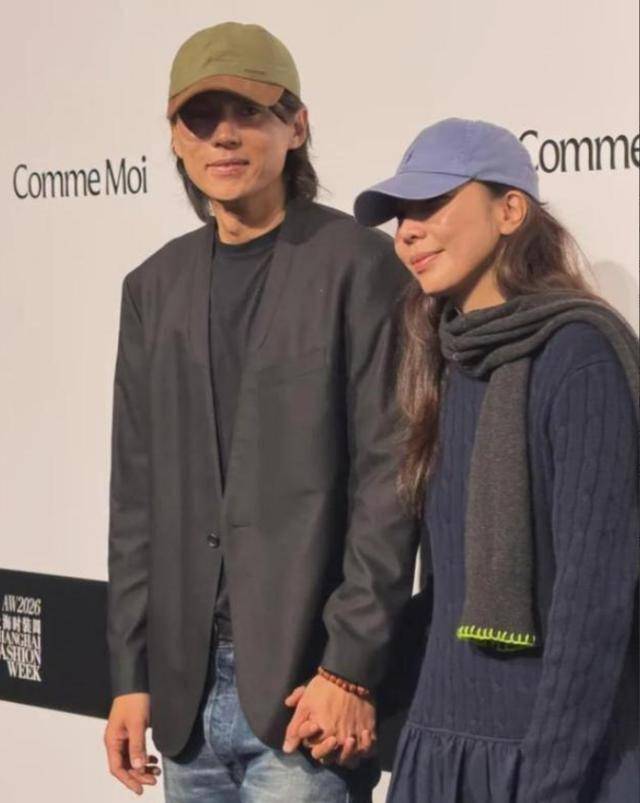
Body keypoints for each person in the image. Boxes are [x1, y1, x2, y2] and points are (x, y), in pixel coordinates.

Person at [103, 21, 418, 803]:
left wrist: (350, 665)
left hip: (307, 693)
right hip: (183, 701)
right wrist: (131, 674)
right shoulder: (152, 287)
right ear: (175, 138)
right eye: (200, 116)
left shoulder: (361, 265)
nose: (224, 135)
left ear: (296, 125)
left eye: (248, 111)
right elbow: (137, 497)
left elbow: (390, 480)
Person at [354, 118, 639, 802]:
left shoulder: (578, 358)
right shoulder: (444, 358)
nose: (408, 232)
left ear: (510, 210)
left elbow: (593, 604)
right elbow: (447, 583)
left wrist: (548, 783)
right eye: (402, 214)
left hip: (545, 760)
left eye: (432, 204)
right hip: (439, 748)